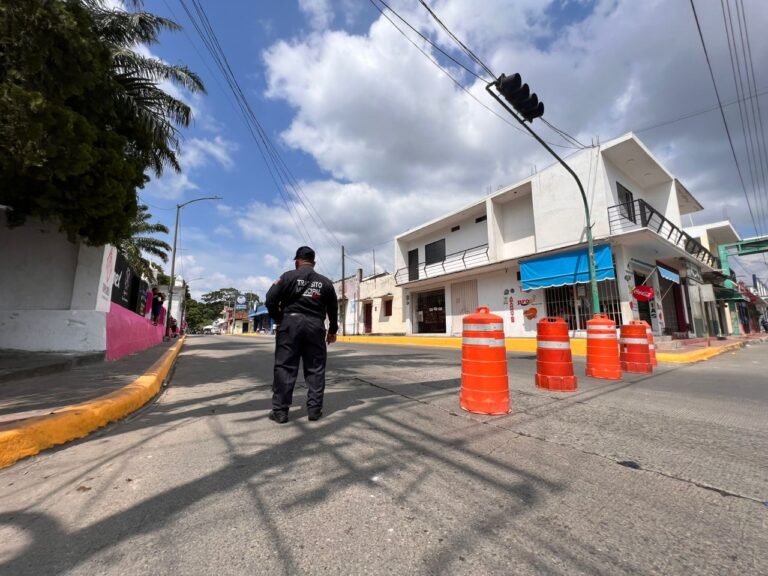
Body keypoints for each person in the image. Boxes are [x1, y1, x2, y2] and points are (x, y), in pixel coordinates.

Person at [265, 246, 338, 423]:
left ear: (297, 261)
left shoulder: (287, 277)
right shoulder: (326, 282)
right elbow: (333, 308)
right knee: (315, 368)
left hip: (290, 325)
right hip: (315, 326)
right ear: (314, 262)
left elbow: (270, 299)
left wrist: (279, 318)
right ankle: (314, 410)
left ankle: (281, 412)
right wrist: (333, 331)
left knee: (285, 367)